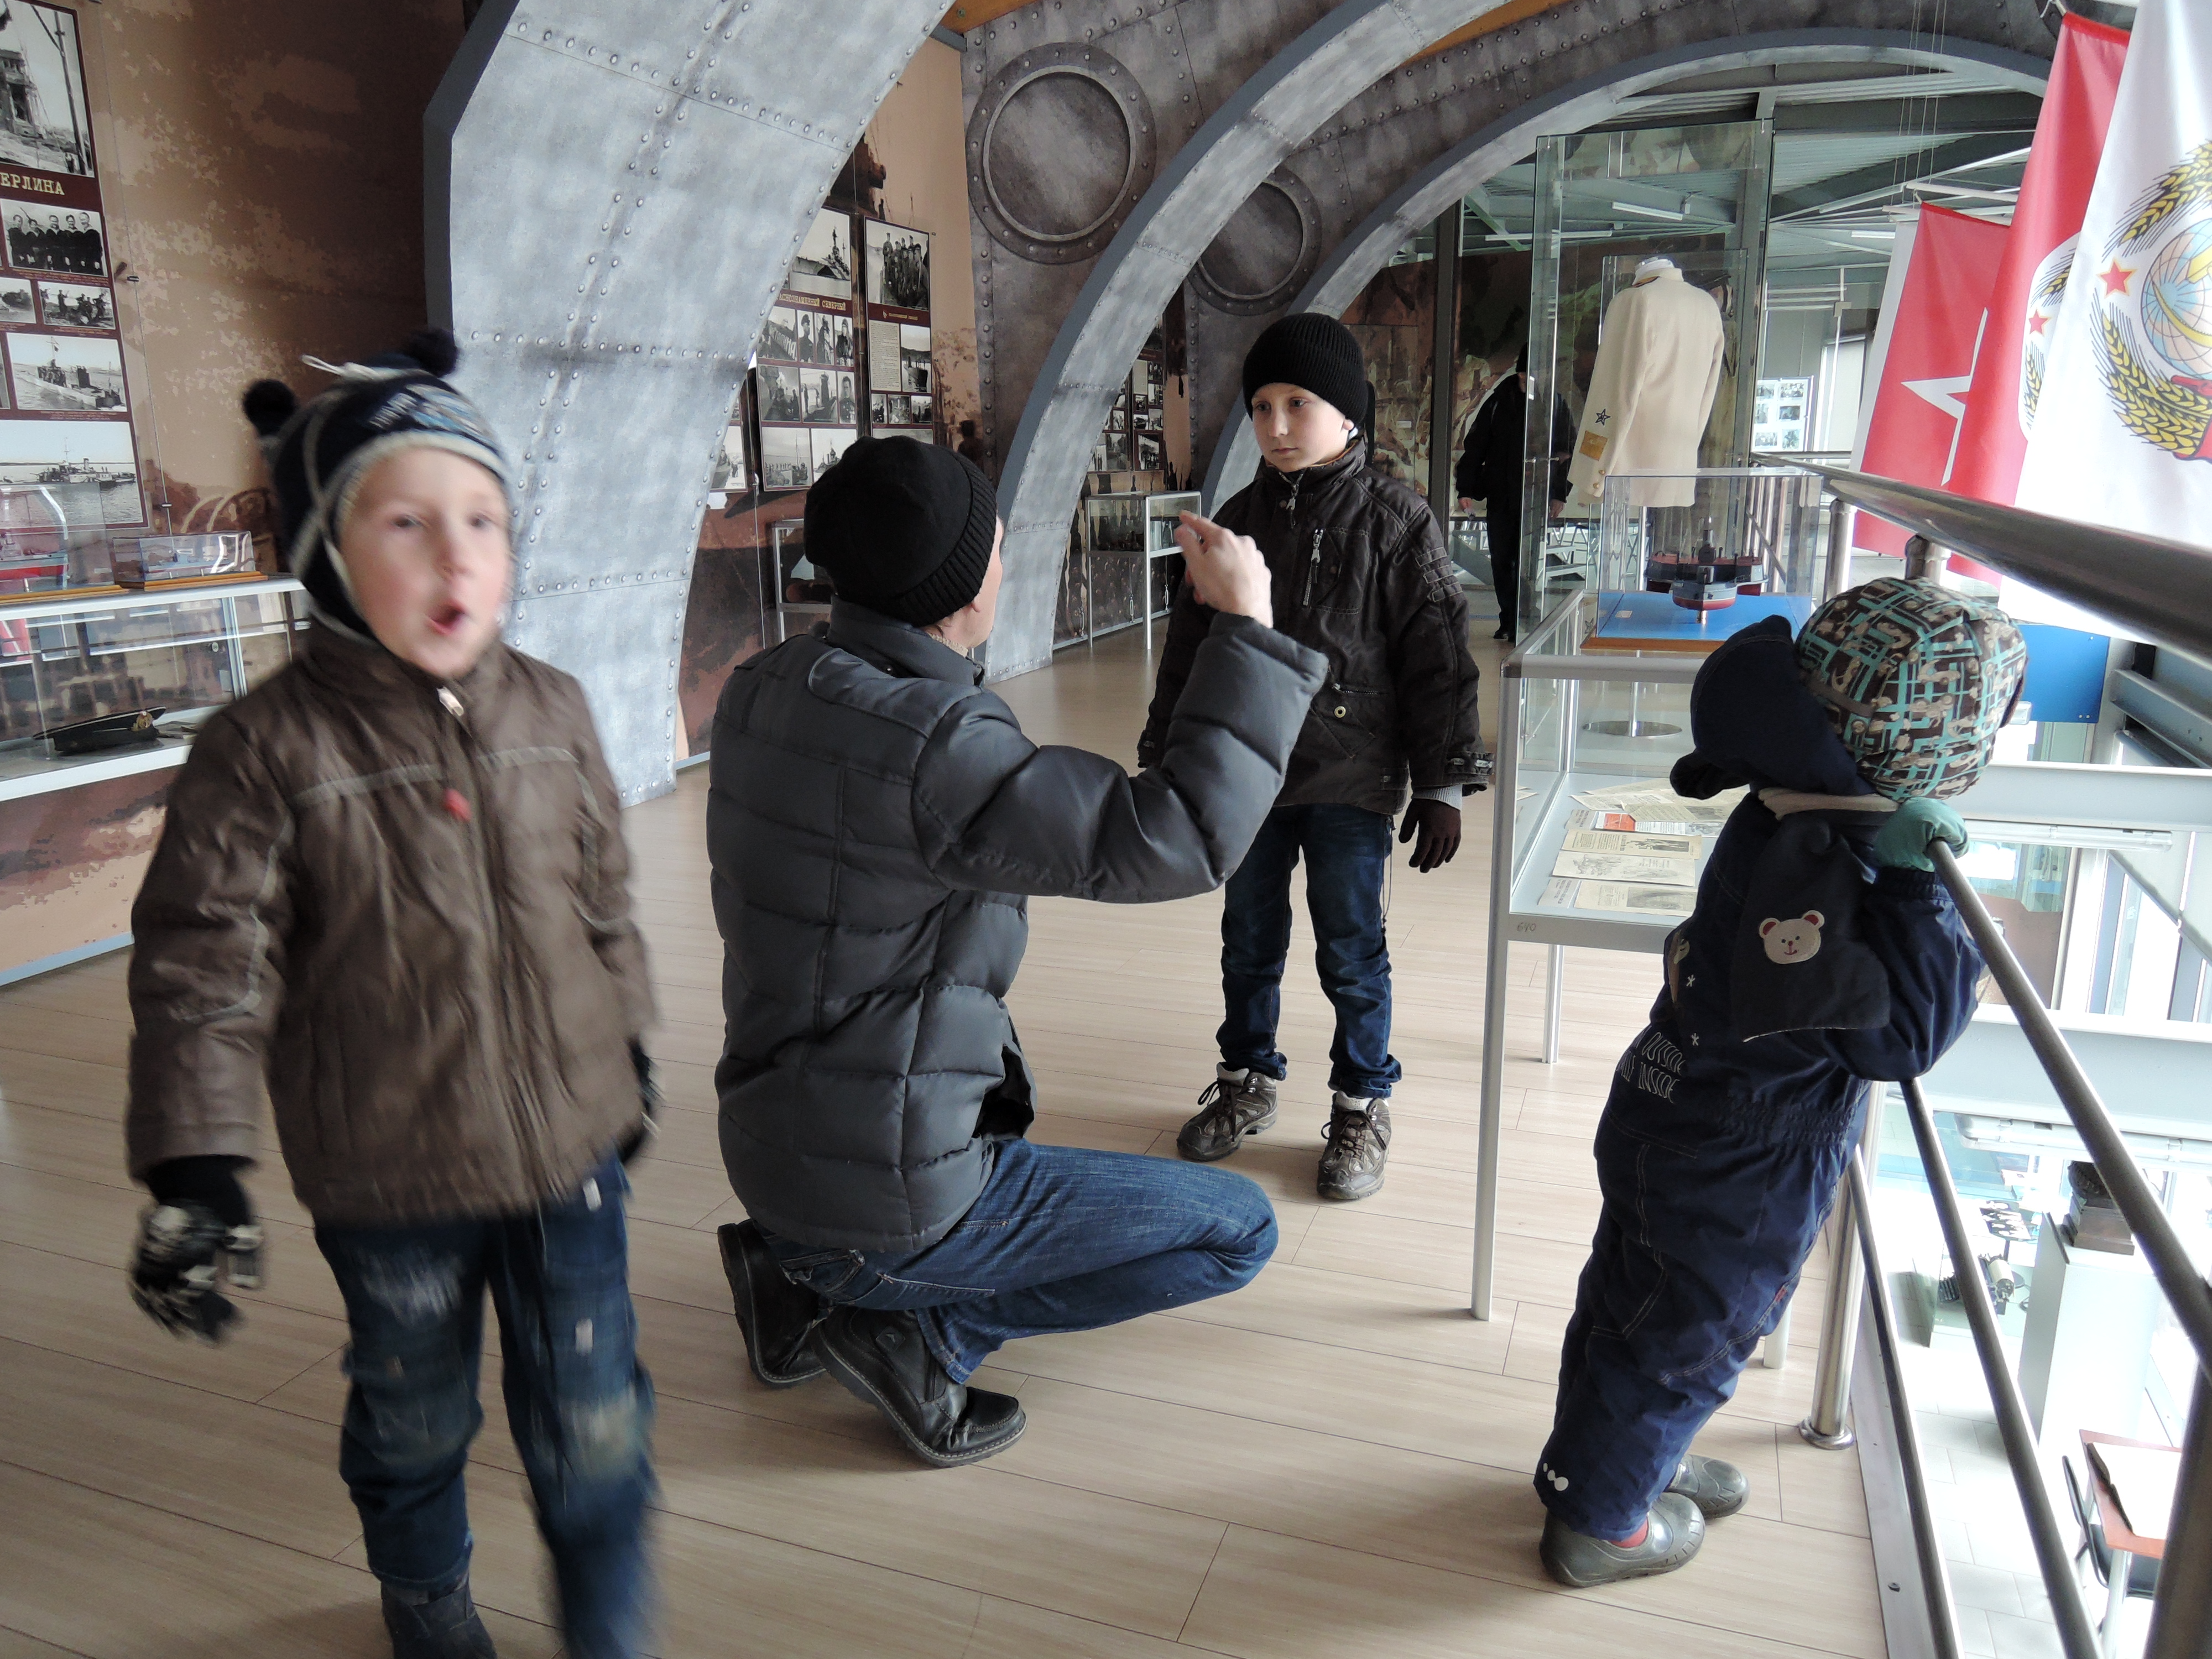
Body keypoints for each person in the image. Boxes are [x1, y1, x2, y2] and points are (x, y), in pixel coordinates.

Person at [122, 327, 659, 1659]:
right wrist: (195, 1162)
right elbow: (204, 957)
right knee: (414, 1416)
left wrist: (626, 1049)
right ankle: (426, 1602)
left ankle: (609, 1630)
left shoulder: (555, 708)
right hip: (390, 1181)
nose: (457, 556)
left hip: (569, 1157)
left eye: (483, 519)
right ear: (326, 553)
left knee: (595, 1419)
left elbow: (603, 903)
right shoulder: (263, 750)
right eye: (407, 522)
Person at [708, 436, 1326, 1468]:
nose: (1006, 562)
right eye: (997, 547)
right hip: (883, 1202)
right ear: (961, 589)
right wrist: (1248, 624)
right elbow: (1181, 835)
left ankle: (790, 1277)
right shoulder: (936, 746)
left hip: (768, 1151)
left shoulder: (763, 688)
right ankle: (920, 1336)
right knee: (1239, 1230)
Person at [1535, 579, 2026, 1588]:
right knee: (1687, 1339)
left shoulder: (1779, 794)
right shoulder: (1831, 853)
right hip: (1743, 1150)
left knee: (1632, 1301)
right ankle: (1602, 1525)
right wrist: (1921, 887)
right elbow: (1900, 1038)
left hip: (1672, 1098)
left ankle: (1603, 1464)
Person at [1136, 313, 1485, 1202]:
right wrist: (1165, 755)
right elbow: (1187, 654)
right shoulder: (1235, 526)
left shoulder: (1396, 522)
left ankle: (1362, 1101)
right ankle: (1247, 1078)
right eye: (1262, 407)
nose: (1278, 424)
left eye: (1299, 403)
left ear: (1348, 412)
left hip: (1351, 779)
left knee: (1351, 949)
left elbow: (1438, 657)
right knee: (1248, 941)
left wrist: (1443, 781)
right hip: (1246, 780)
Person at [1455, 344, 1574, 643]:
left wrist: (1559, 494)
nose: (1534, 380)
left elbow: (1566, 453)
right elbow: (1476, 448)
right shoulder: (1497, 403)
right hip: (1501, 494)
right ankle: (1509, 617)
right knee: (1501, 559)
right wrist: (1465, 489)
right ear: (1520, 373)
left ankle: (1524, 616)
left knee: (1527, 561)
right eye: (1529, 374)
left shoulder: (1555, 405)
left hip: (1536, 497)